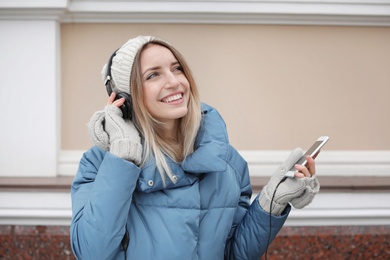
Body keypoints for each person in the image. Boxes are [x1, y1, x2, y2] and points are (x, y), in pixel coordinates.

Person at [70, 35, 320, 260]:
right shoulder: (99, 164)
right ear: (124, 97)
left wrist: (271, 202)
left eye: (177, 69)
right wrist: (123, 158)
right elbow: (92, 252)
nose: (174, 81)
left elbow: (233, 253)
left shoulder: (227, 162)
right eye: (153, 75)